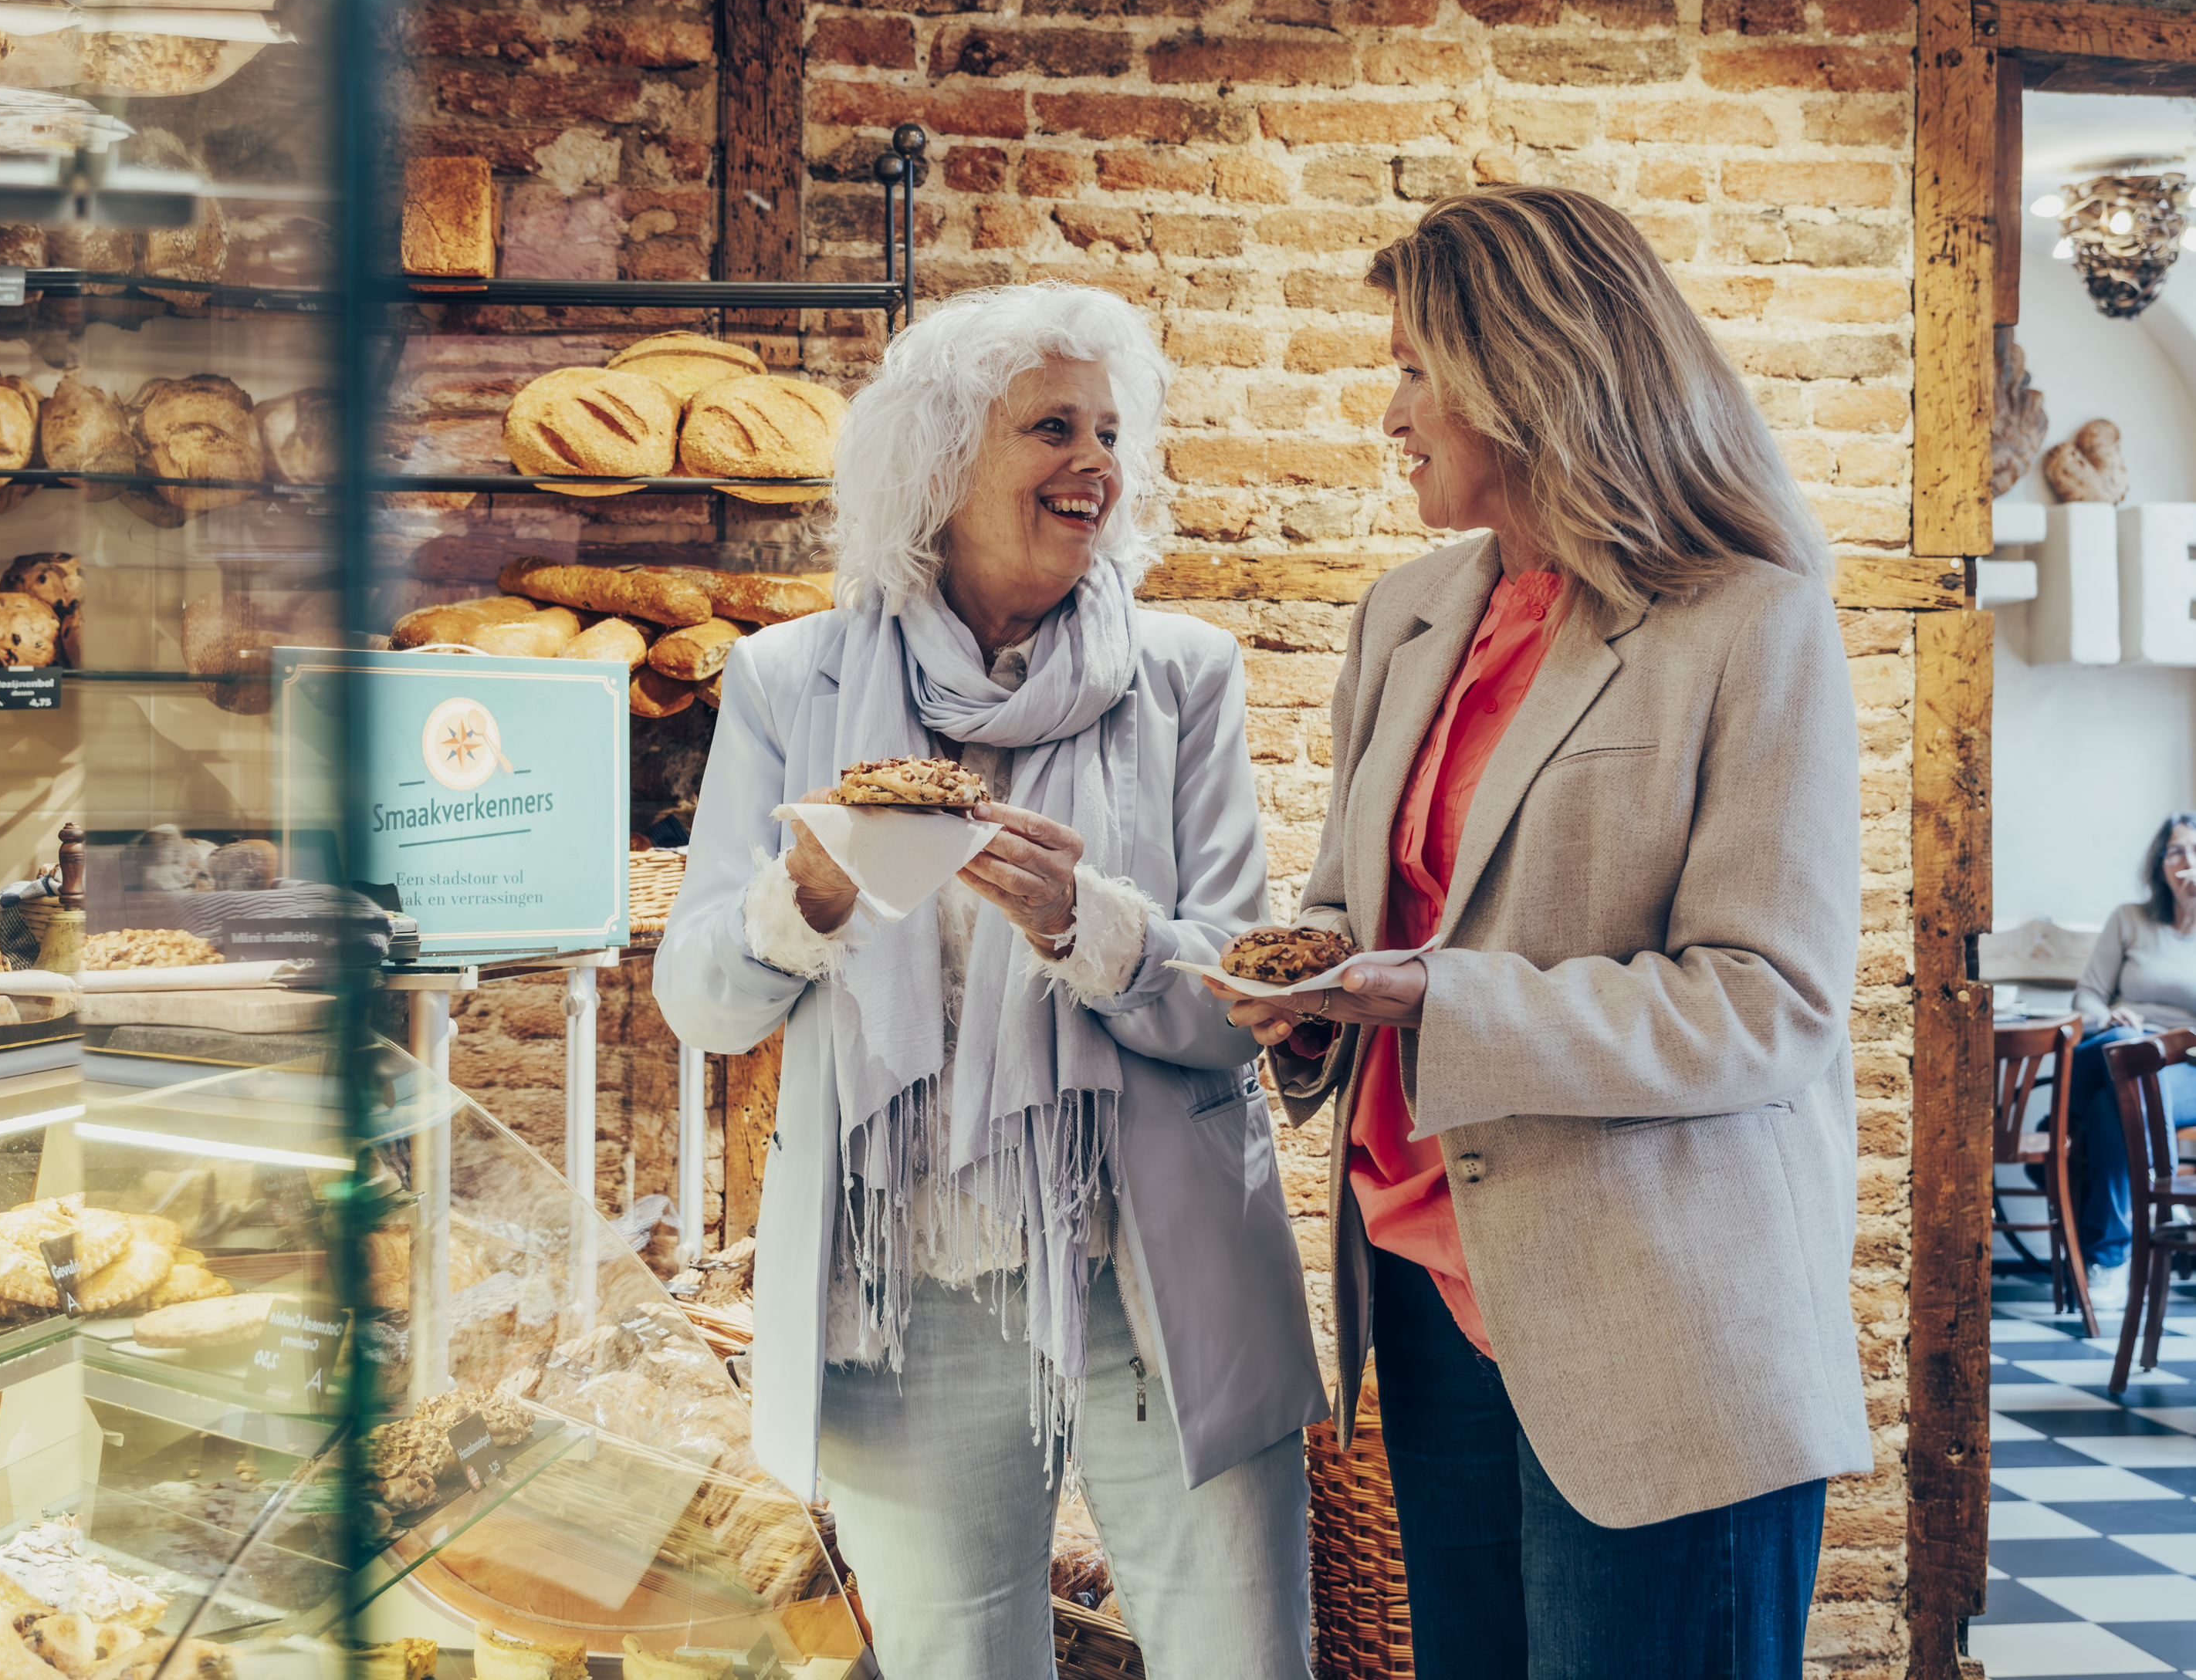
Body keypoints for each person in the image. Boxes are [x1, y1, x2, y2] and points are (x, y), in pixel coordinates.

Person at [1215, 186, 1869, 1678]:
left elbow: (1765, 1004)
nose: (1390, 414)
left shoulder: (1749, 622)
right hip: (1426, 1297)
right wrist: (1311, 999)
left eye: (1415, 371)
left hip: (1657, 1326)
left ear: (1527, 374)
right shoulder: (1407, 615)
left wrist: (1433, 1000)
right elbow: (1358, 908)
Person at [655, 282, 1326, 1680]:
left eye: (1111, 432)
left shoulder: (1184, 676)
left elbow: (1230, 1018)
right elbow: (704, 1004)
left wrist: (1088, 923)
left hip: (1155, 1263)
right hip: (910, 1282)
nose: (1096, 463)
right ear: (943, 460)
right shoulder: (789, 681)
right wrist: (806, 902)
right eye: (1052, 428)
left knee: (1242, 1655)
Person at [2069, 813, 2196, 1309]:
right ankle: (2160, 1205)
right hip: (2116, 1053)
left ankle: (2110, 1257)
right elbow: (2087, 996)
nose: (2188, 861)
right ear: (2160, 863)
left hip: (2185, 1069)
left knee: (2114, 1106)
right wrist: (2109, 1017)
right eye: (2177, 850)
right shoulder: (2130, 919)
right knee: (2127, 1054)